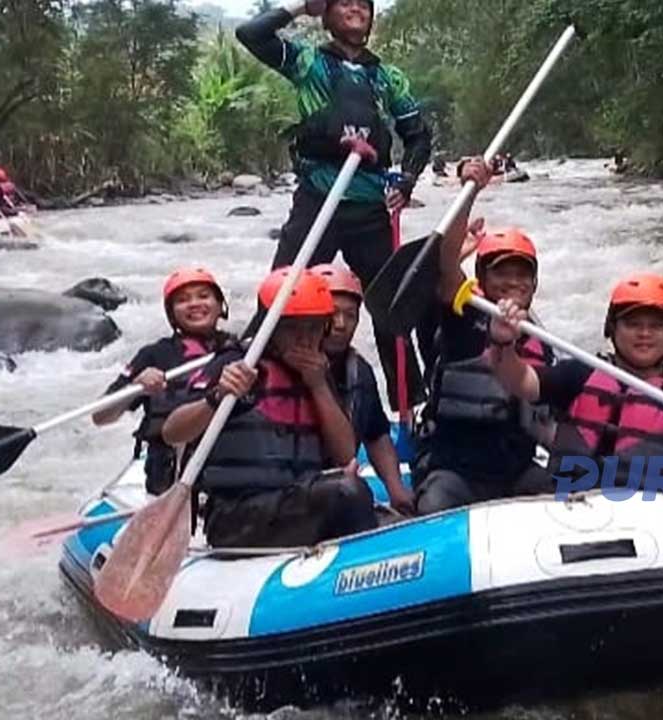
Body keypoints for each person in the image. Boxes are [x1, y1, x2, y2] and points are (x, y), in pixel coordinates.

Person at [236, 0, 433, 404]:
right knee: (280, 295)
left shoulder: (387, 77)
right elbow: (251, 35)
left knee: (391, 307)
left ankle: (410, 409)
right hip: (317, 199)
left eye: (363, 4)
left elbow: (417, 134)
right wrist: (299, 8)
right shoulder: (308, 62)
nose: (356, 9)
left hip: (369, 206)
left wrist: (408, 180)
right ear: (327, 15)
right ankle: (248, 394)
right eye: (344, 2)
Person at [487, 272, 663, 498]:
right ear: (612, 328)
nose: (644, 334)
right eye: (633, 324)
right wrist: (504, 343)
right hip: (569, 508)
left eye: (656, 326)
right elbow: (521, 382)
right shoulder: (581, 372)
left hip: (648, 519)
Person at [163, 268, 373, 548]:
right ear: (271, 328)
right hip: (236, 517)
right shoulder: (238, 363)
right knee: (347, 491)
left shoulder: (319, 373)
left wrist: (318, 386)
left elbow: (345, 453)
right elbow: (172, 431)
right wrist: (216, 396)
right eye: (293, 328)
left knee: (351, 489)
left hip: (293, 505)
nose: (304, 339)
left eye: (312, 328)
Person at [412, 159, 557, 515]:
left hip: (515, 472)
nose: (512, 283)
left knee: (560, 496)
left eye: (522, 275)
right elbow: (447, 268)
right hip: (455, 472)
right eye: (501, 273)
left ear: (535, 283)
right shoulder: (464, 316)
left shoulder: (540, 338)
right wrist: (470, 191)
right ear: (482, 278)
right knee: (435, 502)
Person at [92, 268, 238, 495]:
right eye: (182, 300)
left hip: (227, 471)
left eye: (203, 296)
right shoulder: (155, 355)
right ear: (171, 314)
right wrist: (135, 388)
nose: (194, 304)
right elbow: (100, 416)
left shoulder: (242, 351)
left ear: (220, 306)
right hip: (168, 476)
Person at [311, 262, 415, 515]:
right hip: (293, 485)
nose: (341, 324)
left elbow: (376, 434)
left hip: (335, 480)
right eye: (331, 313)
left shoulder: (359, 371)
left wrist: (395, 488)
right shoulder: (276, 366)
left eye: (351, 315)